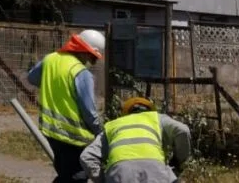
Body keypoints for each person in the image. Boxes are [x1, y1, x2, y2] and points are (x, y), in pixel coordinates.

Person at [27, 29, 106, 183]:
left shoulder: (50, 59)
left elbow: (32, 78)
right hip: (74, 136)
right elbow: (89, 111)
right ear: (84, 50)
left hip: (50, 131)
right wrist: (100, 132)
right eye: (91, 56)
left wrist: (54, 85)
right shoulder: (81, 72)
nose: (90, 61)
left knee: (65, 173)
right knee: (77, 176)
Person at [80, 96, 191, 183]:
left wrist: (103, 180)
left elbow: (87, 156)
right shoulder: (157, 118)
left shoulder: (113, 126)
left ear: (125, 113)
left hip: (120, 175)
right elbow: (183, 130)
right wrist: (178, 161)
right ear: (150, 110)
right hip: (156, 173)